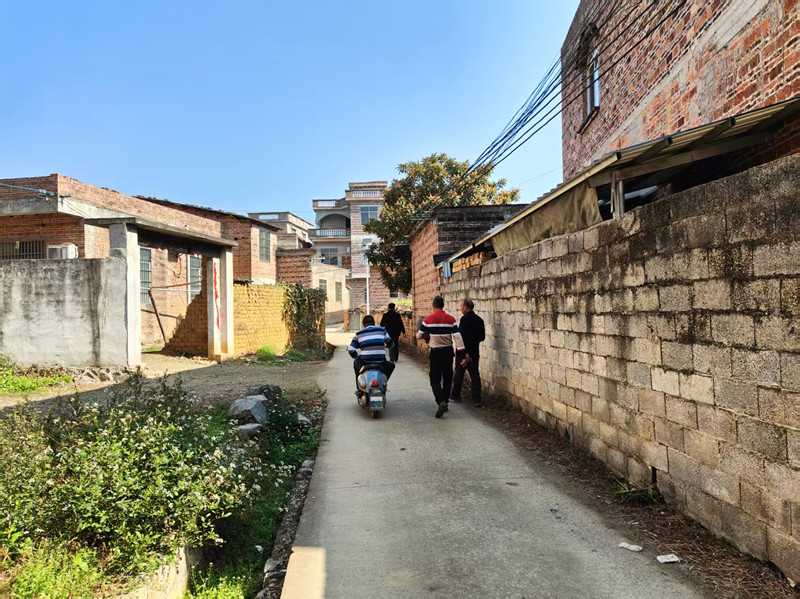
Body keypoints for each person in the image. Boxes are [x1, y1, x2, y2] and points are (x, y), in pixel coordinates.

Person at [417, 296, 465, 418]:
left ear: (433, 305)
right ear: (443, 305)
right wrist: (461, 352)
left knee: (434, 379)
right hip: (448, 352)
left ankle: (441, 401)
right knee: (448, 378)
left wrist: (428, 336)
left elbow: (419, 335)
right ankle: (446, 401)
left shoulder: (428, 319)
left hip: (435, 353)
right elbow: (458, 337)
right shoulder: (451, 319)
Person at [450, 298, 486, 407]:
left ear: (466, 307)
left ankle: (455, 395)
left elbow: (461, 337)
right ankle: (476, 398)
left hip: (463, 351)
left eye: (461, 306)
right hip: (474, 351)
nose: (461, 309)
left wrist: (465, 353)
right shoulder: (479, 320)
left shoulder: (464, 320)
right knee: (474, 374)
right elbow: (482, 337)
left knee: (459, 373)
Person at [348, 315, 396, 390]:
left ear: (363, 324)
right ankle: (382, 382)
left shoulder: (359, 334)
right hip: (381, 361)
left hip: (364, 361)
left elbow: (351, 349)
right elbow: (391, 344)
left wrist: (356, 357)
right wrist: (384, 345)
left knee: (355, 364)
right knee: (391, 365)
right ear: (374, 323)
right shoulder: (382, 330)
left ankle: (359, 388)